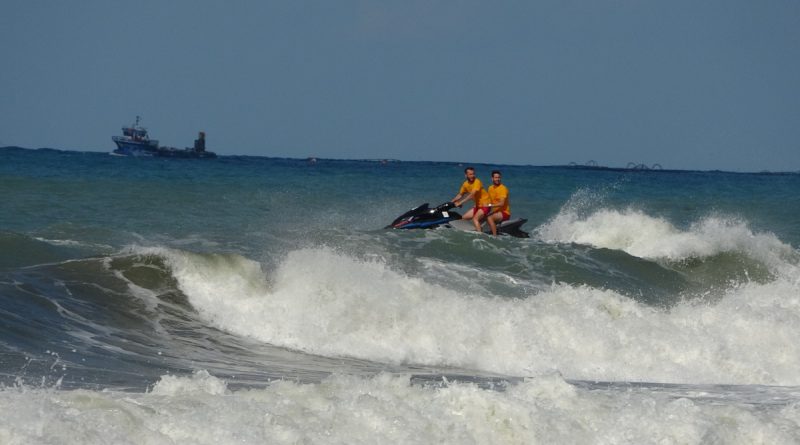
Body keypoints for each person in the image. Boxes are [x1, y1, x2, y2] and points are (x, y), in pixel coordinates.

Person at [451, 166, 490, 232]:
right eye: (470, 174)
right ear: (466, 175)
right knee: (463, 218)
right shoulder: (465, 184)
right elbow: (460, 194)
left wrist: (460, 203)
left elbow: (472, 195)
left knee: (475, 219)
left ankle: (480, 237)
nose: (473, 176)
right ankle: (477, 226)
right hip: (478, 206)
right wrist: (451, 202)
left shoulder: (477, 182)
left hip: (485, 204)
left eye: (473, 174)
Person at [484, 170, 511, 236]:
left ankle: (494, 236)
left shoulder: (503, 188)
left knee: (489, 217)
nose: (498, 179)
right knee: (482, 214)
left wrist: (489, 205)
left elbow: (501, 203)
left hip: (505, 213)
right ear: (492, 178)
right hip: (495, 212)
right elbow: (488, 200)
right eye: (496, 177)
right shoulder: (490, 188)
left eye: (499, 177)